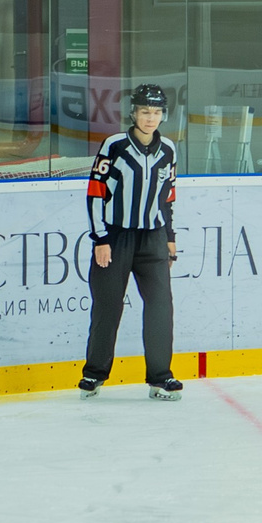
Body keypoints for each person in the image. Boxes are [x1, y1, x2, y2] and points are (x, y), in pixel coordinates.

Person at [81, 84, 184, 400]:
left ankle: (160, 377)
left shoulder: (168, 148)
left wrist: (169, 237)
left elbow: (168, 196)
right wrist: (100, 238)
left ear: (162, 115)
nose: (151, 118)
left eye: (156, 113)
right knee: (108, 306)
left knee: (160, 305)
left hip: (152, 238)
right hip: (115, 237)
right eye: (145, 112)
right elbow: (96, 193)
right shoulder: (114, 146)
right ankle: (94, 374)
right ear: (133, 113)